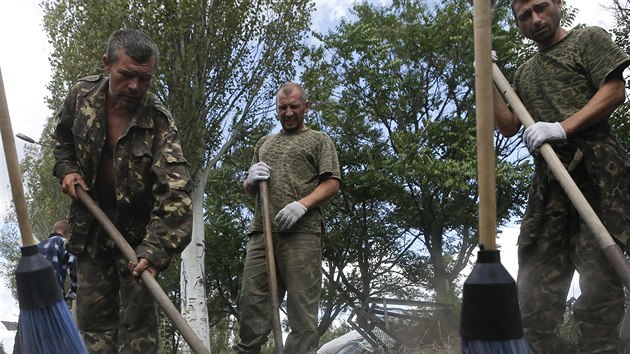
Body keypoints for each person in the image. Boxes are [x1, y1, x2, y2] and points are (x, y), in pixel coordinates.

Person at [493, 0, 630, 353]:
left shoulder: (588, 40)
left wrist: (562, 127)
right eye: (525, 16)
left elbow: (615, 91)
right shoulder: (523, 73)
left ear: (557, 5)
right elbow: (508, 125)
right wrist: (488, 78)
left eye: (541, 8)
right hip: (551, 181)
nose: (536, 19)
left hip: (599, 169)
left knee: (600, 280)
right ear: (518, 24)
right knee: (536, 278)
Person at [51, 29, 193, 353]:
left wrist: (155, 252)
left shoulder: (159, 122)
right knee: (93, 329)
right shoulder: (81, 96)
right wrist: (67, 169)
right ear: (107, 64)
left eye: (145, 79)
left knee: (140, 332)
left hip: (139, 241)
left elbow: (177, 195)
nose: (135, 87)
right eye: (126, 75)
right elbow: (61, 141)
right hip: (92, 228)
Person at [232, 82, 341, 353]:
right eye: (283, 107)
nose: (289, 112)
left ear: (306, 106)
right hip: (261, 233)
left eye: (294, 106)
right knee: (251, 307)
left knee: (302, 314)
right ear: (277, 109)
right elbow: (249, 190)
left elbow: (333, 183)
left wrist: (302, 206)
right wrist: (249, 179)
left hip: (302, 236)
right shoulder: (264, 143)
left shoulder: (319, 140)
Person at [37, 220, 78, 300]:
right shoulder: (63, 242)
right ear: (68, 234)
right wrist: (74, 288)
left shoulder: (36, 247)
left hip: (34, 296)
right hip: (54, 294)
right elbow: (74, 261)